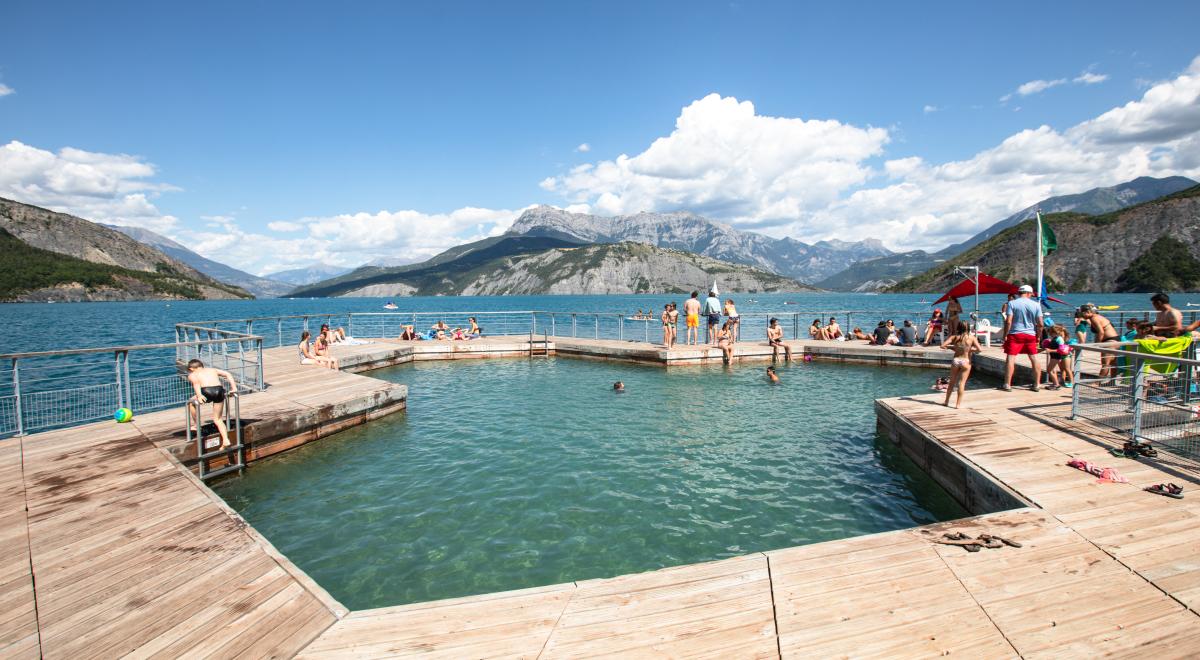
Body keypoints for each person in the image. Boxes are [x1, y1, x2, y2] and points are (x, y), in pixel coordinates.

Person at [186, 359, 239, 449]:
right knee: (218, 419)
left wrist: (199, 395)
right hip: (219, 391)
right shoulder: (212, 370)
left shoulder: (193, 374)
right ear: (201, 365)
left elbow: (196, 384)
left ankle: (196, 425)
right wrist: (234, 388)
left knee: (190, 403)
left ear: (191, 369)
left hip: (206, 391)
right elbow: (227, 374)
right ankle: (226, 440)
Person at [1002, 285, 1044, 391]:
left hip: (1015, 334)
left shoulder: (1012, 303)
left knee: (1011, 358)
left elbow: (1008, 321)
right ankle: (1037, 384)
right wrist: (1038, 337)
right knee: (1033, 358)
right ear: (1029, 293)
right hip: (1030, 335)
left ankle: (1007, 384)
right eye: (1031, 294)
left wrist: (1005, 335)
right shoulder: (1036, 305)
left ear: (1019, 293)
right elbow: (1040, 324)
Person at [941, 321, 981, 408]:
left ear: (958, 327)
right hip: (966, 361)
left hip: (956, 360)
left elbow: (943, 345)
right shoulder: (972, 338)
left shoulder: (954, 337)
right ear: (968, 328)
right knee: (961, 383)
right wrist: (969, 350)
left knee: (952, 382)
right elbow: (979, 350)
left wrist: (953, 348)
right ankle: (958, 404)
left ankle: (946, 401)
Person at [1080, 303, 1120, 382]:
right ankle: (1112, 382)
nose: (1082, 315)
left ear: (1088, 312)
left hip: (1110, 341)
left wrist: (1097, 344)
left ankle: (1097, 383)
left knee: (1106, 363)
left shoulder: (1094, 318)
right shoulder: (1097, 317)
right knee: (1112, 363)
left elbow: (1101, 332)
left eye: (1082, 313)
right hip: (1115, 340)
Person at [1042, 325, 1074, 390]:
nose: (1050, 334)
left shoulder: (1059, 339)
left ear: (1055, 332)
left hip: (1056, 357)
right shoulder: (1055, 338)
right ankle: (1055, 383)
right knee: (1053, 370)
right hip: (1053, 356)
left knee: (1049, 370)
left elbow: (1061, 350)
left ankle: (1056, 384)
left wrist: (1050, 350)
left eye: (1050, 333)